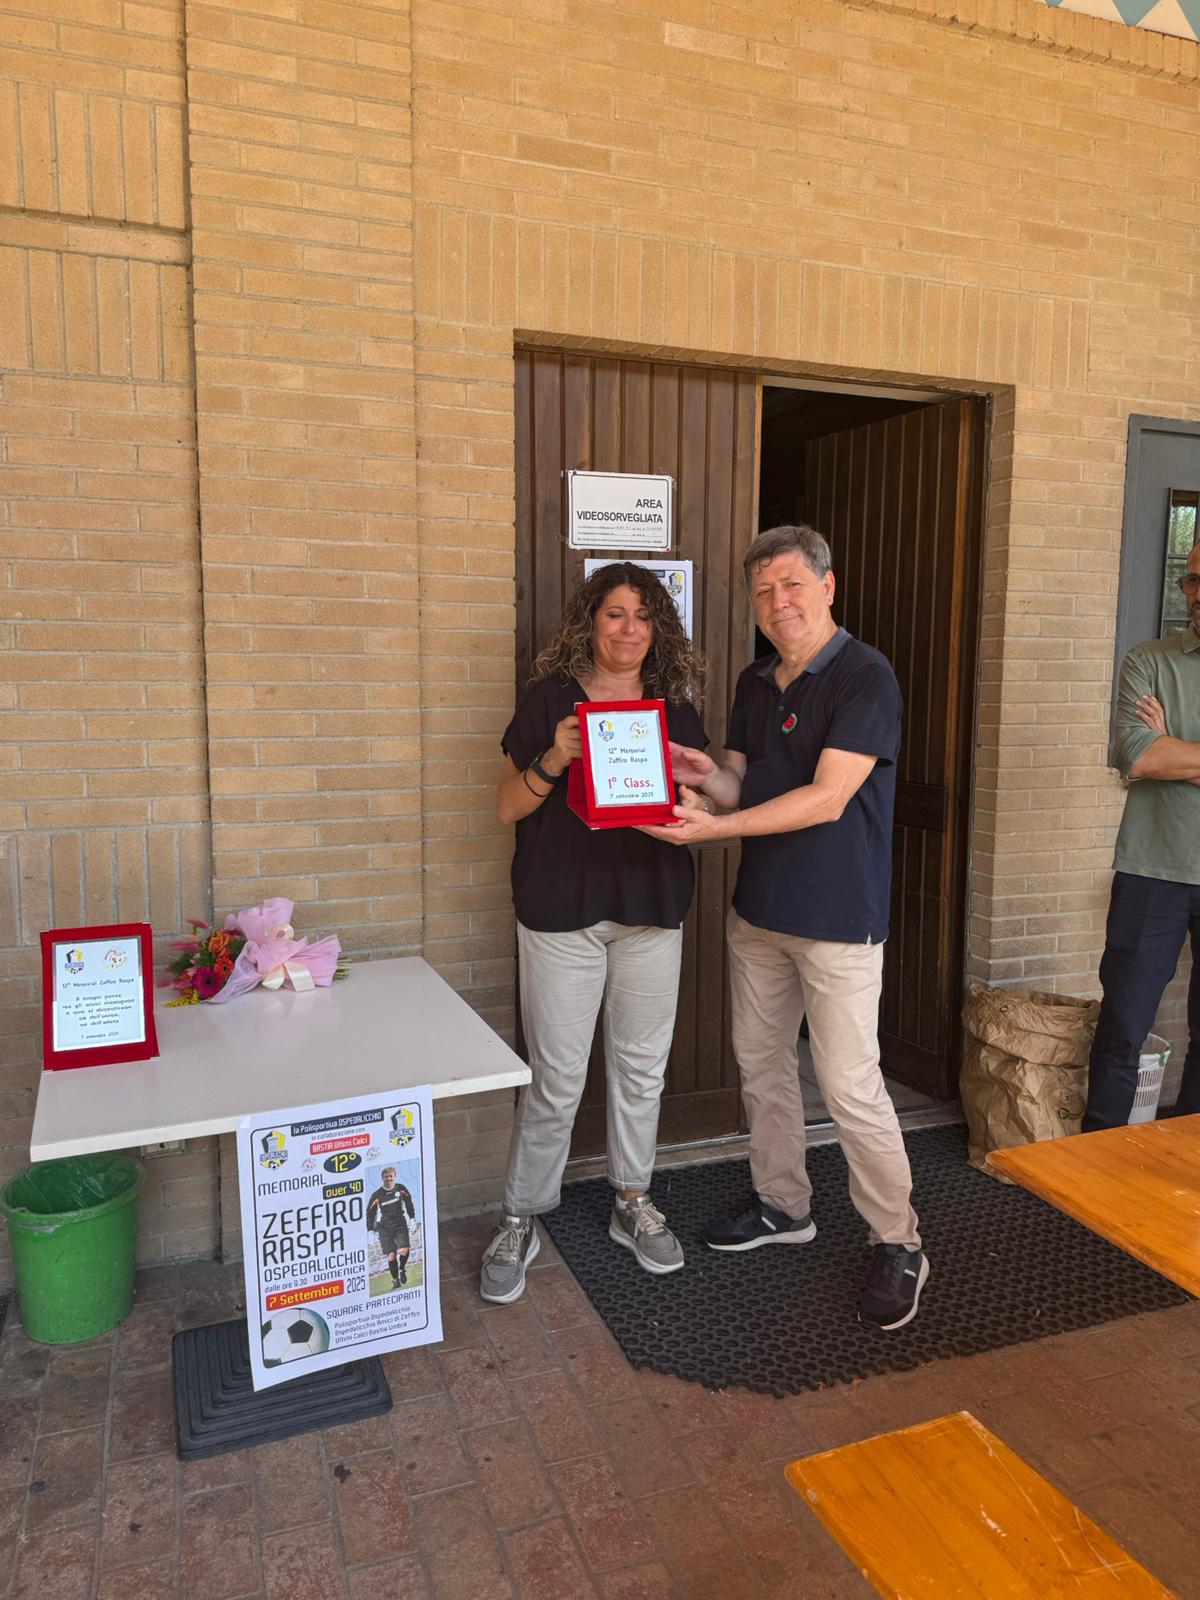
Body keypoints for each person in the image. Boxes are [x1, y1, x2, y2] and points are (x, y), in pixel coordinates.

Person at [642, 524, 928, 1331]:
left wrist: (712, 832)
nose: (779, 602)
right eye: (765, 592)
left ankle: (898, 1238)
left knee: (846, 1084)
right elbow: (743, 781)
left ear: (828, 586)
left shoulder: (865, 676)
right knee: (763, 1068)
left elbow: (828, 797)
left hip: (837, 920)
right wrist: (705, 776)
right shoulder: (756, 679)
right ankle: (782, 1205)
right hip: (760, 914)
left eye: (794, 585)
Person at [480, 562, 708, 1305]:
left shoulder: (674, 710)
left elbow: (702, 806)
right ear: (591, 621)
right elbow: (507, 809)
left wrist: (694, 788)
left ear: (659, 630)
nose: (629, 629)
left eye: (643, 616)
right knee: (556, 1078)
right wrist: (555, 756)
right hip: (560, 915)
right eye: (615, 613)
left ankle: (632, 1200)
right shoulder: (551, 702)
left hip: (650, 912)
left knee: (643, 1070)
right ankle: (521, 1213)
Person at [1083, 539, 1200, 1130]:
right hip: (1152, 869)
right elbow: (1137, 755)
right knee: (1123, 1025)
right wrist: (1154, 748)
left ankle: (1187, 1172)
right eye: (1195, 580)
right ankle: (1090, 1166)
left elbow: (1163, 756)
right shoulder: (1149, 661)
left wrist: (1176, 743)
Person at [365, 1167, 415, 1290]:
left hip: (400, 1223)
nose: (389, 1178)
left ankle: (402, 1268)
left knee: (404, 1250)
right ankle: (395, 1280)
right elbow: (369, 1213)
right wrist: (370, 1231)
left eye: (391, 1176)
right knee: (391, 1255)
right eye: (386, 1176)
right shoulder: (377, 1195)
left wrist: (412, 1218)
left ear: (395, 1176)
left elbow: (409, 1202)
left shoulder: (401, 1188)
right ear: (382, 1178)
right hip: (385, 1226)